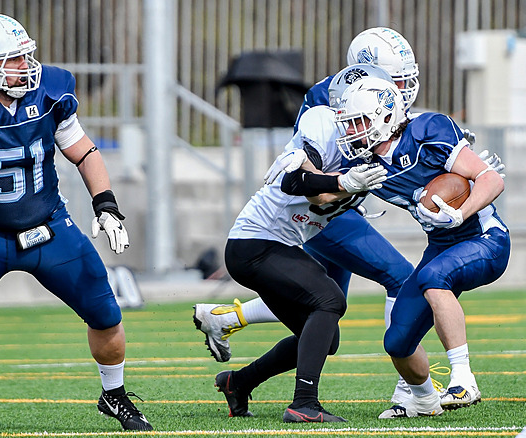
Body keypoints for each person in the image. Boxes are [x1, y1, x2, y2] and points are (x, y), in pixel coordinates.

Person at [194, 26, 504, 405]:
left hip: (332, 209)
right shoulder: (327, 112)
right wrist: (346, 180)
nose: (404, 90)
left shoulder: (386, 119)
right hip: (315, 214)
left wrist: (458, 162)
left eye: (407, 80)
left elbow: (401, 151)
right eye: (396, 80)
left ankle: (235, 355)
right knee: (383, 282)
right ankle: (410, 391)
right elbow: (305, 185)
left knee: (324, 321)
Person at [0, 14, 151, 432]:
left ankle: (114, 395)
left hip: (49, 225)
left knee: (105, 313)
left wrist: (106, 205)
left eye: (26, 55)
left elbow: (83, 151)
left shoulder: (50, 90)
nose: (25, 65)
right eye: (13, 59)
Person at [325, 76, 510, 418]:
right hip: (441, 245)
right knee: (396, 339)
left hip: (484, 238)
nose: (353, 130)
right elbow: (321, 196)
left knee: (433, 277)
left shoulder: (427, 131)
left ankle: (464, 379)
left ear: (385, 116)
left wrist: (461, 212)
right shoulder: (364, 164)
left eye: (360, 121)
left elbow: (492, 179)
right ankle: (424, 400)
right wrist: (322, 182)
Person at [215, 88, 389, 422]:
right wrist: (343, 180)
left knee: (327, 338)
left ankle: (239, 383)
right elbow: (296, 183)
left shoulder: (375, 155)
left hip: (272, 245)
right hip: (255, 242)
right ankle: (304, 403)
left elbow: (327, 198)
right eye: (352, 121)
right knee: (330, 301)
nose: (354, 129)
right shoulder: (324, 125)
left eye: (362, 122)